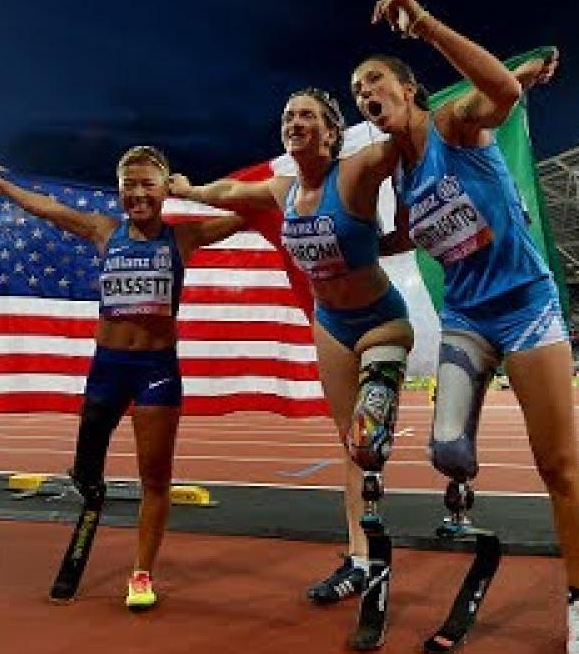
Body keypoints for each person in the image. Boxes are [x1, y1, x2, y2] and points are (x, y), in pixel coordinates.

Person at [352, 0, 579, 652]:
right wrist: (340, 254)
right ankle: (463, 492)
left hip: (525, 308)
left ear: (409, 89)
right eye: (356, 90)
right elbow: (404, 235)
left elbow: (504, 95)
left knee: (557, 463)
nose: (364, 93)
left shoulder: (453, 124)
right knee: (447, 451)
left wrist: (426, 23)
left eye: (373, 80)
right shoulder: (403, 176)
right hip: (467, 316)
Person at [169, 88, 411, 648]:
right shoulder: (282, 189)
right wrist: (188, 189)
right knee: (351, 447)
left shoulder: (357, 170)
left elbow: (411, 138)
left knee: (369, 443)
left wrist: (503, 88)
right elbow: (229, 191)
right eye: (287, 116)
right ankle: (358, 559)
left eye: (306, 115)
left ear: (332, 132)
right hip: (331, 327)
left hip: (380, 321)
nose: (293, 122)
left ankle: (378, 568)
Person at [0, 146, 245, 610]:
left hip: (157, 372)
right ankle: (90, 485)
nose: (138, 193)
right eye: (129, 185)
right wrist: (3, 187)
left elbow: (251, 209)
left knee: (155, 479)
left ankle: (141, 574)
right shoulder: (105, 231)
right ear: (119, 190)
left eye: (148, 184)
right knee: (85, 469)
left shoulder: (183, 239)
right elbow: (52, 210)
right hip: (108, 368)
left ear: (164, 189)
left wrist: (194, 191)